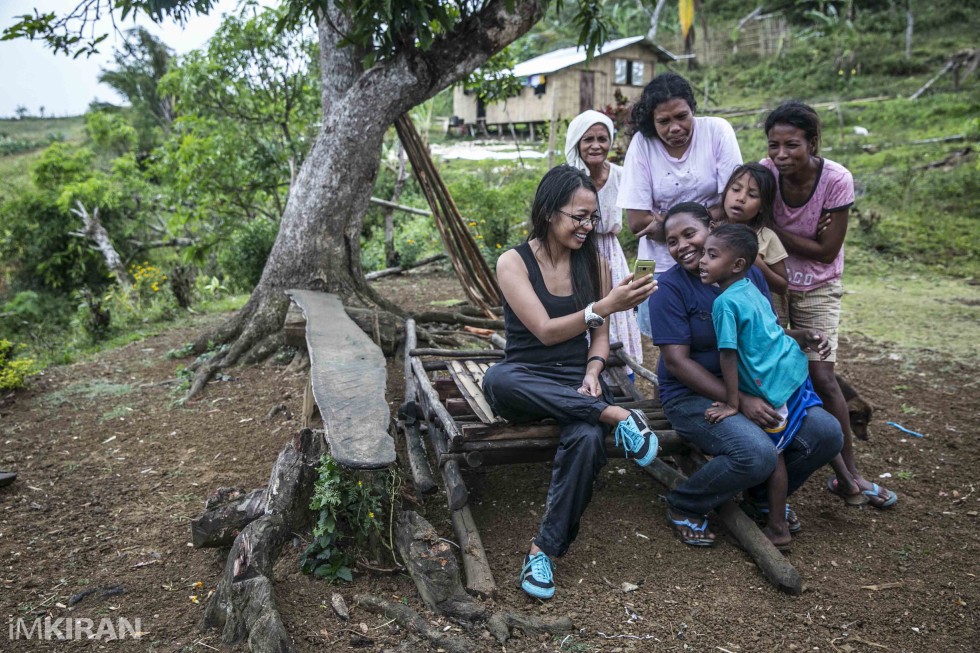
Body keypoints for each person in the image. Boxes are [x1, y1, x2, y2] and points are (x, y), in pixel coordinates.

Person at [481, 165, 658, 600]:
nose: (587, 226)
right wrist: (604, 305)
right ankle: (617, 415)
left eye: (592, 217)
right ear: (548, 211)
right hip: (526, 379)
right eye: (578, 217)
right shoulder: (513, 262)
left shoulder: (594, 262)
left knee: (587, 438)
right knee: (497, 378)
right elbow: (544, 331)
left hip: (577, 379)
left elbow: (599, 338)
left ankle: (542, 551)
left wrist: (593, 372)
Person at [648, 202, 842, 547]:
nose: (682, 246)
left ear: (712, 229)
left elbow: (767, 331)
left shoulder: (748, 274)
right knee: (757, 452)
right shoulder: (669, 289)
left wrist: (803, 335)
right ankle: (685, 503)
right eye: (672, 241)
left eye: (690, 234)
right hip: (693, 395)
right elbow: (677, 363)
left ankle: (762, 498)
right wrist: (738, 399)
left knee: (827, 433)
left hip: (754, 388)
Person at [762, 101, 897, 509]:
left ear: (813, 143)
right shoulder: (765, 174)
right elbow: (745, 217)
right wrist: (791, 235)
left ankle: (849, 473)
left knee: (822, 374)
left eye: (792, 145)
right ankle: (775, 466)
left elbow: (826, 251)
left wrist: (771, 226)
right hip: (772, 281)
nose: (781, 155)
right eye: (773, 145)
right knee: (775, 374)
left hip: (818, 286)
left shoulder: (836, 179)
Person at [700, 224, 827, 550]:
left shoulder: (724, 303)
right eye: (704, 253)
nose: (702, 260)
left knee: (774, 457)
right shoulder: (750, 288)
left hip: (772, 390)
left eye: (712, 255)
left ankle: (777, 527)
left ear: (737, 265)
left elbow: (727, 355)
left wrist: (732, 403)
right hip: (793, 373)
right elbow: (773, 330)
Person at [617, 72, 743, 337]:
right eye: (663, 121)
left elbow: (733, 206)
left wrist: (667, 226)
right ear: (651, 121)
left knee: (721, 334)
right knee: (669, 338)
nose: (674, 128)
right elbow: (638, 221)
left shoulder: (717, 132)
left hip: (716, 257)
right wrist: (702, 225)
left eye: (681, 116)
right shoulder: (643, 144)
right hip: (659, 264)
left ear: (693, 109)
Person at [564, 110, 643, 377]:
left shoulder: (621, 175)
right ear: (576, 142)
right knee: (584, 308)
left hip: (610, 250)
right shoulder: (568, 178)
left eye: (602, 138)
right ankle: (584, 368)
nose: (596, 145)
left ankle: (623, 372)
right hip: (577, 248)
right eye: (588, 139)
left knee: (615, 308)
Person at [714, 163, 790, 324]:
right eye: (736, 189)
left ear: (762, 207)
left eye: (752, 195)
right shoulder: (711, 233)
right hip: (722, 314)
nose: (741, 198)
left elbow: (782, 286)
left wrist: (757, 263)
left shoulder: (766, 237)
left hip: (760, 320)